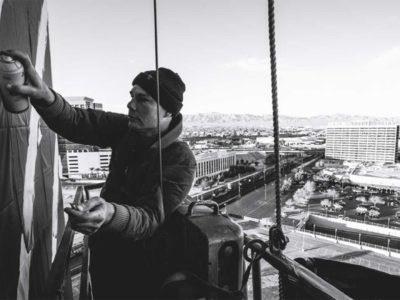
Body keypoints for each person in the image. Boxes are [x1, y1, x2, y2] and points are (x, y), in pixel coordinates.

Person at [1, 49, 196, 299]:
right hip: (104, 257)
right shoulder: (127, 129)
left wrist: (109, 213)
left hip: (141, 273)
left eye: (143, 99)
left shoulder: (179, 158)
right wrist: (44, 96)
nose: (130, 104)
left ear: (168, 112)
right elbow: (77, 121)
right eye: (132, 96)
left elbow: (148, 217)